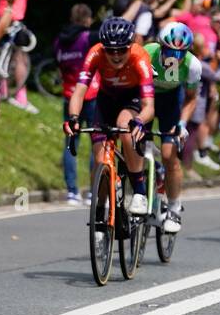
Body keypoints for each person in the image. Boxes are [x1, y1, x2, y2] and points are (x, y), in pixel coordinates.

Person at [63, 17, 155, 216]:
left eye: (122, 49)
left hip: (132, 99)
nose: (115, 55)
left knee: (125, 126)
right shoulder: (95, 53)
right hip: (106, 99)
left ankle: (139, 190)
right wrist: (74, 118)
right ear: (103, 47)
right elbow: (79, 92)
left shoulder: (140, 57)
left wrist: (139, 121)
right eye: (110, 50)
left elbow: (149, 106)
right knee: (100, 159)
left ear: (130, 46)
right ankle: (100, 211)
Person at [0, 0, 64, 113]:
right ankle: (20, 96)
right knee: (21, 58)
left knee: (5, 54)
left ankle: (2, 89)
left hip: (1, 14)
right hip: (15, 17)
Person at [145, 22, 199, 233]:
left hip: (170, 102)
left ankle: (174, 208)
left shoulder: (192, 65)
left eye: (180, 53)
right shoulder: (147, 52)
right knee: (135, 147)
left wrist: (183, 123)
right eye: (168, 51)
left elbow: (191, 98)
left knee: (169, 155)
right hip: (145, 97)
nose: (173, 58)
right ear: (160, 46)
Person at [55, 3, 97, 204]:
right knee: (97, 141)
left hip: (69, 95)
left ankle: (72, 191)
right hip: (92, 94)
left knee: (71, 142)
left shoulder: (59, 41)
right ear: (88, 19)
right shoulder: (88, 38)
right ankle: (93, 191)